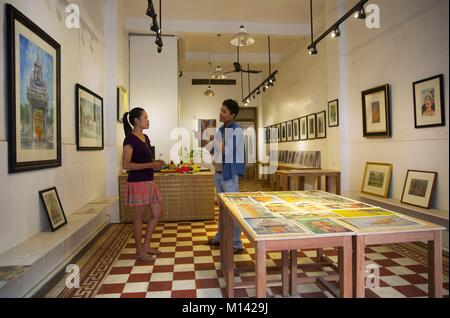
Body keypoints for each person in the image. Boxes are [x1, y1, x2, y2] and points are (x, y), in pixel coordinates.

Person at [198, 99, 246, 254]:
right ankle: (219, 238)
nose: (221, 113)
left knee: (233, 210)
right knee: (222, 210)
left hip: (229, 175)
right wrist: (206, 141)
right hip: (218, 173)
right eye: (220, 110)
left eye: (224, 111)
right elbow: (215, 151)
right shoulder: (221, 129)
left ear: (232, 115)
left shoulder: (236, 130)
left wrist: (214, 141)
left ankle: (237, 244)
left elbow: (228, 151)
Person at [122, 107, 165, 261]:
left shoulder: (145, 138)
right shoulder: (129, 139)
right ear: (136, 121)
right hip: (138, 183)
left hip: (149, 181)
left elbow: (146, 161)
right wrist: (150, 165)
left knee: (157, 212)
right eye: (145, 118)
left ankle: (146, 245)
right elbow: (126, 165)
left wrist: (155, 163)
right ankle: (139, 251)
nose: (148, 120)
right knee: (139, 218)